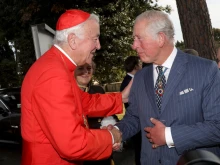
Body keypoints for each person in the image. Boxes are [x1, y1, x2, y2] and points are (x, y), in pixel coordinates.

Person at [21, 9, 131, 165]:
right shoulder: (53, 74)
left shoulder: (58, 66)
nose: (98, 46)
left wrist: (122, 98)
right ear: (73, 40)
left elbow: (83, 102)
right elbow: (72, 144)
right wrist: (112, 136)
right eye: (95, 38)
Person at [113, 10, 220, 165]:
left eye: (139, 38)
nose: (134, 45)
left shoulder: (205, 70)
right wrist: (116, 132)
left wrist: (169, 135)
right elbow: (135, 117)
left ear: (161, 38)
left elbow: (217, 126)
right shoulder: (140, 77)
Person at [74, 61, 117, 165]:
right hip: (79, 154)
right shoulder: (67, 94)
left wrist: (112, 127)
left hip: (102, 151)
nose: (85, 72)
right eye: (80, 68)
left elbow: (110, 113)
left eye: (89, 68)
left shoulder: (98, 90)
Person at [120, 56, 142, 165]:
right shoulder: (128, 82)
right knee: (140, 150)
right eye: (139, 63)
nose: (141, 65)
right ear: (136, 66)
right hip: (135, 120)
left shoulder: (130, 79)